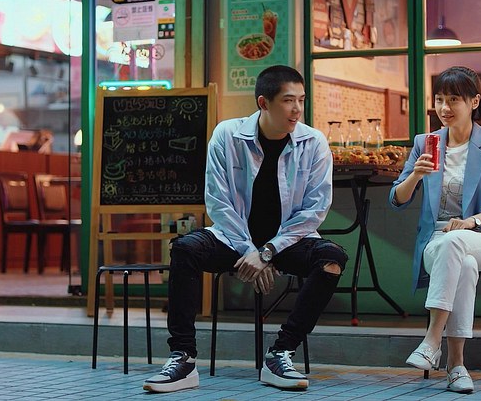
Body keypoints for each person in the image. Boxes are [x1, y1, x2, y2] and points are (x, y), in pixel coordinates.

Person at [143, 65, 348, 393]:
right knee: (184, 249)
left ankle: (281, 353)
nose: (297, 109)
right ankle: (183, 358)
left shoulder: (314, 142)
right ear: (263, 103)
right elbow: (218, 203)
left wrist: (268, 251)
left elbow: (315, 210)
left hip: (287, 242)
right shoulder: (227, 135)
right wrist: (250, 251)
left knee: (332, 259)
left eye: (301, 100)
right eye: (288, 100)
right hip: (234, 240)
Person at [388, 66, 481, 394]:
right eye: (439, 100)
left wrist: (472, 221)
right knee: (465, 265)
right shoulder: (425, 142)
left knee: (459, 243)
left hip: (480, 236)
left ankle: (432, 340)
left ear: (474, 101)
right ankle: (456, 366)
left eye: (454, 100)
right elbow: (397, 199)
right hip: (436, 240)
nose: (444, 108)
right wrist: (415, 176)